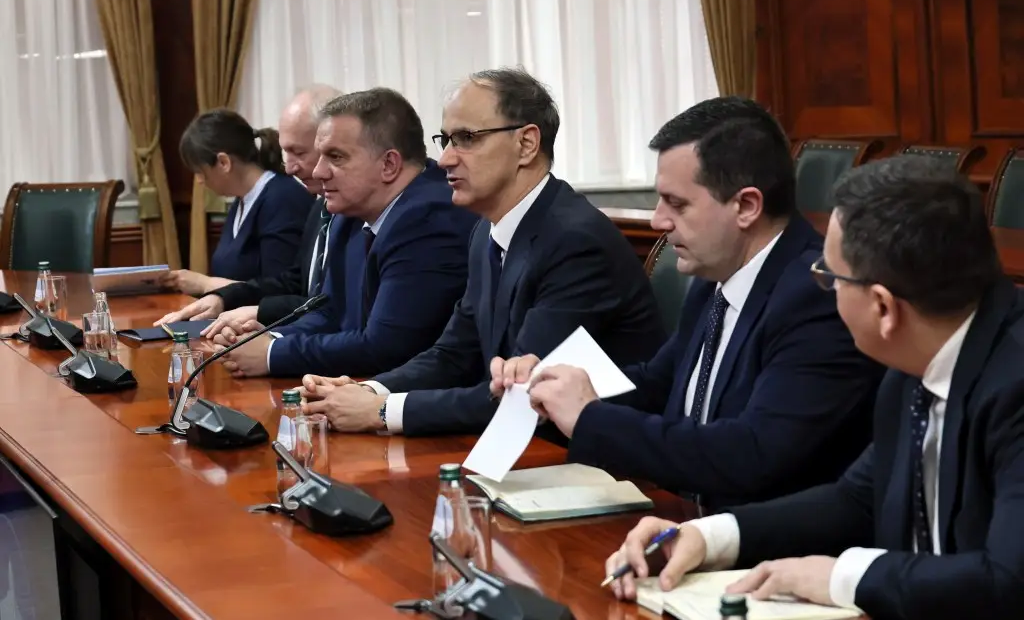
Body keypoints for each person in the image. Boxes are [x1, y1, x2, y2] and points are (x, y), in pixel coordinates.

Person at [606, 156, 1024, 620]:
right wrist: (707, 537)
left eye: (831, 277)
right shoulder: (917, 356)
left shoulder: (1013, 384)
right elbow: (857, 500)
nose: (825, 288)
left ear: (883, 308)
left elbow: (1008, 582)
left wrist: (842, 577)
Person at [491, 97, 884, 509]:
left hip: (763, 539)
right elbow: (657, 385)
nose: (658, 220)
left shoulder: (817, 296)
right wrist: (553, 388)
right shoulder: (715, 276)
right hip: (684, 520)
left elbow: (754, 453)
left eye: (676, 204)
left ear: (746, 206)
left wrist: (590, 417)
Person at [299, 67, 665, 435]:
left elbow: (525, 396)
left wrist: (381, 411)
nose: (445, 159)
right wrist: (368, 391)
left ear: (526, 144)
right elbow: (453, 354)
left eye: (466, 138)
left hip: (587, 454)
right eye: (446, 140)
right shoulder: (486, 231)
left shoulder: (575, 241)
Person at [211, 87, 478, 379]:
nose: (318, 172)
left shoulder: (428, 220)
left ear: (389, 164)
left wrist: (272, 354)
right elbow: (329, 312)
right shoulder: (350, 210)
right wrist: (267, 339)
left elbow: (386, 347)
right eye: (320, 156)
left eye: (335, 157)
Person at [155, 85, 341, 327]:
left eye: (299, 152)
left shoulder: (286, 197)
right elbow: (293, 282)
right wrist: (221, 298)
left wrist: (207, 285)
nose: (289, 168)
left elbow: (312, 300)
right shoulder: (318, 207)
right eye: (287, 153)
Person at [165, 108, 314, 291]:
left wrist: (205, 284)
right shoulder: (242, 201)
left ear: (223, 163)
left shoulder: (283, 199)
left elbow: (281, 290)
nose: (199, 180)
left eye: (199, 171)